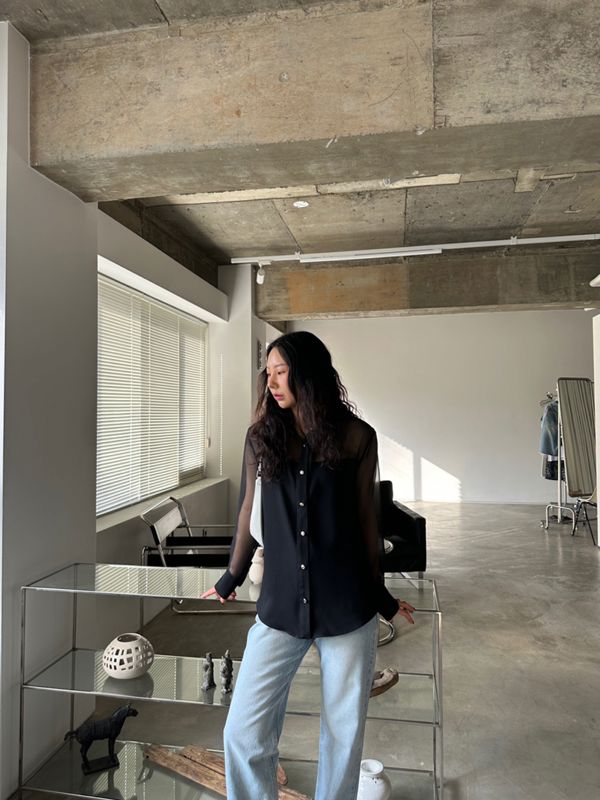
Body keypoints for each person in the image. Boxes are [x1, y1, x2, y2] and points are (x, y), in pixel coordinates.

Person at [201, 331, 415, 800]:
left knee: (342, 737)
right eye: (269, 373)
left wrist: (382, 599)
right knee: (243, 732)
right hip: (280, 607)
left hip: (346, 608)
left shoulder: (357, 437)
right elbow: (247, 509)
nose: (272, 383)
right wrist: (230, 577)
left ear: (309, 374)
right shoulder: (261, 437)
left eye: (282, 372)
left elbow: (366, 525)